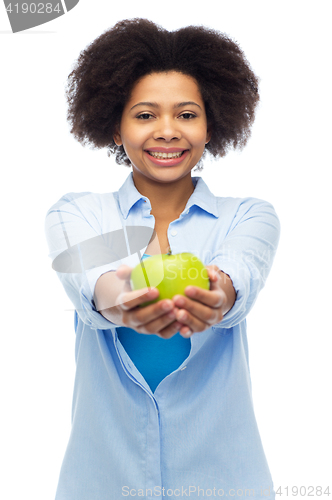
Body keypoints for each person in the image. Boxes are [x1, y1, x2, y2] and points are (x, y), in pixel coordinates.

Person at [45, 18, 280, 500]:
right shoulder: (82, 213)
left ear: (212, 124)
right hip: (103, 484)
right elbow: (95, 281)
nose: (167, 132)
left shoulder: (247, 216)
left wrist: (214, 296)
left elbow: (239, 273)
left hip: (225, 484)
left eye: (187, 115)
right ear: (115, 126)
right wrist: (126, 300)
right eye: (146, 115)